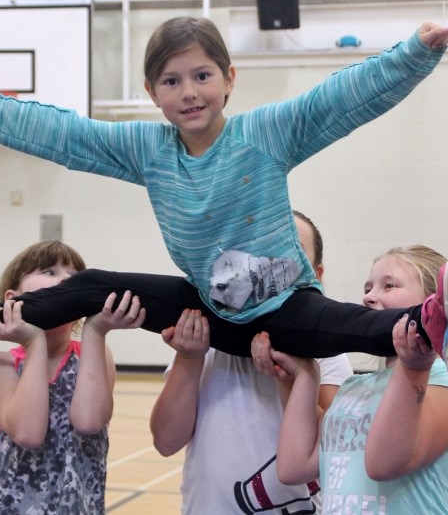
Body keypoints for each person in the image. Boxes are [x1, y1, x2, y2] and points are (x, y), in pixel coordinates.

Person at [0, 16, 448, 382]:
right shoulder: (148, 149)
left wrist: (416, 53)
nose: (189, 92)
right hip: (208, 308)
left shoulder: (265, 134)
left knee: (337, 324)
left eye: (201, 76)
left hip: (282, 304)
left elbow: (341, 99)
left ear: (228, 79)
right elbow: (59, 134)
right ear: (151, 91)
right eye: (171, 81)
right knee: (90, 286)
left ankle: (430, 329)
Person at [252, 245, 448, 514]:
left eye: (389, 286)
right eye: (367, 289)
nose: (368, 298)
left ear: (434, 300)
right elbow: (296, 465)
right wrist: (302, 375)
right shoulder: (356, 388)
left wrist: (413, 368)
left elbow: (384, 463)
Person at [150, 211, 353, 514]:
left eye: (290, 253)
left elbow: (332, 451)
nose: (274, 267)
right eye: (261, 254)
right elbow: (166, 442)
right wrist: (188, 357)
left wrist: (292, 379)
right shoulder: (205, 346)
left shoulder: (328, 355)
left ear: (317, 274)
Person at [0, 240, 145, 514]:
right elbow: (29, 433)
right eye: (49, 271)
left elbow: (89, 421)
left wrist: (97, 331)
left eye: (75, 275)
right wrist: (33, 342)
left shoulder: (97, 354)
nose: (66, 278)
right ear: (12, 298)